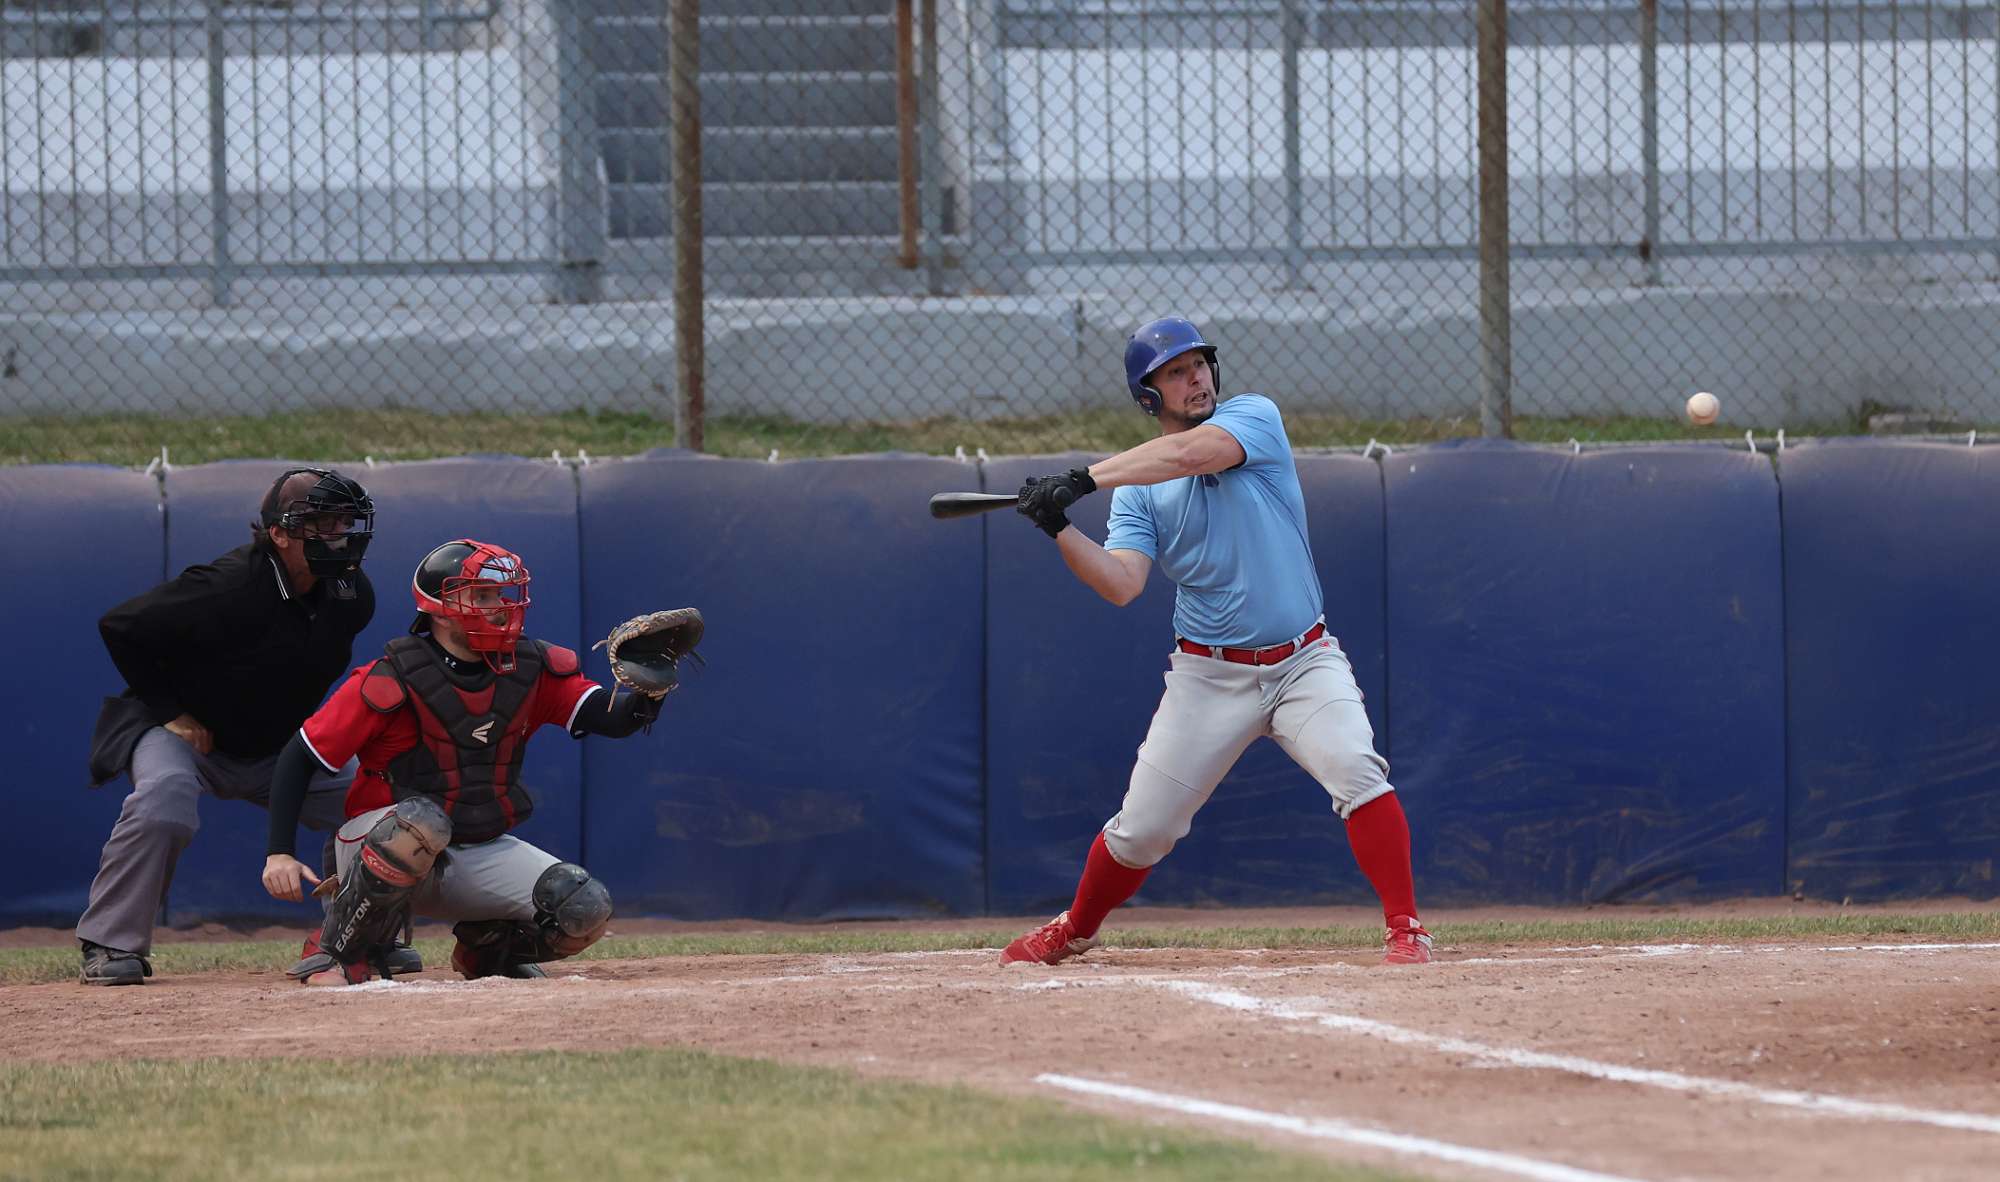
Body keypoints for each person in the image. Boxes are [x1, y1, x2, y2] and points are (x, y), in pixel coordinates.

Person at [1002, 317, 1432, 967]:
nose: (1196, 378)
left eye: (1199, 364)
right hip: (1208, 676)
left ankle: (1406, 926)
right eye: (1176, 372)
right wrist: (1059, 527)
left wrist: (1085, 478)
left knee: (1357, 770)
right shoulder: (1138, 491)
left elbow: (1188, 455)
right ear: (1149, 395)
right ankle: (1078, 927)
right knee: (1142, 830)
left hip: (1303, 661)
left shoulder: (1253, 418)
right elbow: (1121, 583)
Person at [261, 538, 677, 985]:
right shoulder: (390, 677)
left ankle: (487, 952)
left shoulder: (530, 667)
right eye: (481, 596)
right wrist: (279, 853)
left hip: (472, 848)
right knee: (420, 822)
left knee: (583, 908)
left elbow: (611, 718)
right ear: (440, 610)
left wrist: (649, 692)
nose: (498, 607)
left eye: (499, 594)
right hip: (377, 848)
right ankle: (337, 950)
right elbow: (299, 757)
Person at [77, 467, 390, 985]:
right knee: (163, 799)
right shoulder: (228, 585)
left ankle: (359, 939)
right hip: (190, 736)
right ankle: (110, 943)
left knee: (380, 808)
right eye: (321, 524)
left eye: (342, 523)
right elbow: (121, 626)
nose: (337, 536)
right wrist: (170, 711)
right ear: (280, 534)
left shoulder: (351, 594)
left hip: (278, 744)